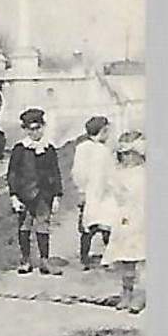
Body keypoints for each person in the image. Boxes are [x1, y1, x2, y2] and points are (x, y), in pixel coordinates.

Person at [7, 107, 64, 274]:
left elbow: (56, 172)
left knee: (43, 225)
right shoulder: (20, 149)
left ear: (43, 127)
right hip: (24, 194)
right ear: (24, 130)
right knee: (24, 227)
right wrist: (14, 196)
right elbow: (12, 173)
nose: (34, 133)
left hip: (44, 195)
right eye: (30, 129)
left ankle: (45, 261)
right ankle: (25, 260)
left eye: (38, 128)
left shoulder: (49, 149)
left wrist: (57, 195)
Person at [102, 131, 146, 313]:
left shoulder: (144, 174)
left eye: (130, 154)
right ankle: (126, 293)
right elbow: (116, 198)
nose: (126, 158)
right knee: (126, 258)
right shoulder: (120, 175)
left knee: (142, 259)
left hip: (143, 218)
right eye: (123, 154)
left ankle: (141, 296)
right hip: (126, 218)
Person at [72, 115, 116, 269]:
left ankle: (96, 257)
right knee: (99, 223)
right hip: (97, 191)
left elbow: (78, 171)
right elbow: (108, 173)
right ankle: (98, 257)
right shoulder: (95, 150)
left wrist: (82, 188)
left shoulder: (89, 149)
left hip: (97, 191)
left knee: (98, 223)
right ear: (103, 131)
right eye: (107, 132)